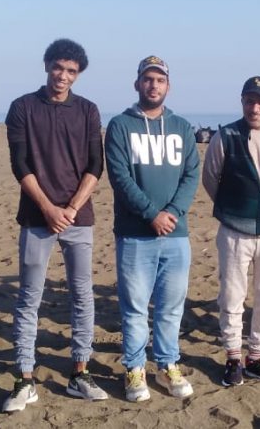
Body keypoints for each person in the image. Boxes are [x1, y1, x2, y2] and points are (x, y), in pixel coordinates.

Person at [1, 39, 108, 412]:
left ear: (78, 75)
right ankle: (24, 379)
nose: (63, 76)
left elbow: (96, 165)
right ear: (47, 65)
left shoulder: (88, 110)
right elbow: (20, 164)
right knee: (30, 297)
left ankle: (80, 372)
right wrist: (48, 208)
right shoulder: (23, 107)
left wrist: (72, 207)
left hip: (79, 218)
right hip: (36, 218)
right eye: (58, 68)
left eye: (71, 71)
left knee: (82, 295)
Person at [105, 56, 201, 402]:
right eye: (148, 79)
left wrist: (172, 212)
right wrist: (151, 215)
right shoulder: (120, 126)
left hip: (176, 235)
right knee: (134, 309)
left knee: (171, 307)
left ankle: (167, 363)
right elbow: (120, 177)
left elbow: (192, 174)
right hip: (135, 235)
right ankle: (134, 368)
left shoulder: (182, 127)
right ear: (137, 84)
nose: (153, 85)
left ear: (168, 86)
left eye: (160, 80)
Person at [202, 76, 260, 387]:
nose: (255, 108)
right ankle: (233, 357)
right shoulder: (225, 136)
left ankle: (256, 357)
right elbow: (211, 177)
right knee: (232, 296)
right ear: (242, 102)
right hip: (234, 233)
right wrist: (233, 207)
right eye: (249, 101)